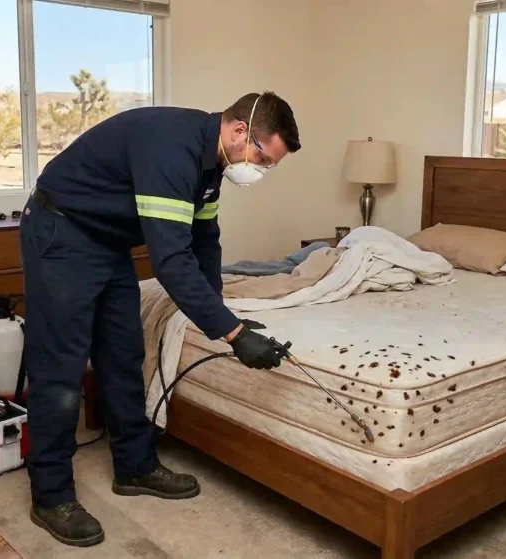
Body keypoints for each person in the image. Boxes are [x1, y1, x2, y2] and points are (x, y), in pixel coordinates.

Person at [19, 92, 301, 547]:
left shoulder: (213, 168)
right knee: (61, 372)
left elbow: (204, 240)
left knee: (125, 354)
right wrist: (231, 333)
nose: (261, 170)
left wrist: (223, 314)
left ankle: (135, 467)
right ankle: (51, 495)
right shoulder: (172, 148)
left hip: (108, 242)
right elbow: (169, 261)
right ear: (238, 132)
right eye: (263, 158)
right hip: (61, 231)